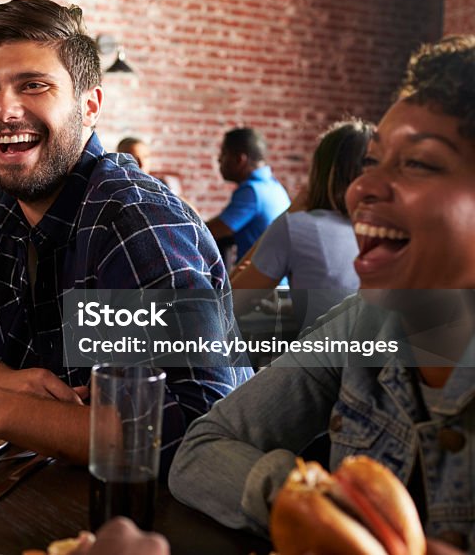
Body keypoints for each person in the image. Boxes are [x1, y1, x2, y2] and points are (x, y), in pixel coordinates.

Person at [0, 0, 252, 469]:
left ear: (90, 105)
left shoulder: (132, 222)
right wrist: (7, 380)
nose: (3, 110)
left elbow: (194, 428)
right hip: (34, 490)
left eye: (33, 85)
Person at [170, 36, 475, 553]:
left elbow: (235, 307)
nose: (363, 190)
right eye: (372, 163)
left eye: (419, 163)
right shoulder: (362, 325)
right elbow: (197, 452)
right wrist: (319, 509)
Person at [231, 119, 374, 331]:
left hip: (326, 361)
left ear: (320, 170)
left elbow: (229, 305)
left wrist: (289, 213)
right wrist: (291, 306)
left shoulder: (297, 226)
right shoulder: (390, 231)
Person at [205, 127, 291, 263]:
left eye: (224, 153)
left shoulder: (252, 191)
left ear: (240, 160)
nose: (219, 160)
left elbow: (208, 232)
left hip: (263, 282)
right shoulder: (274, 186)